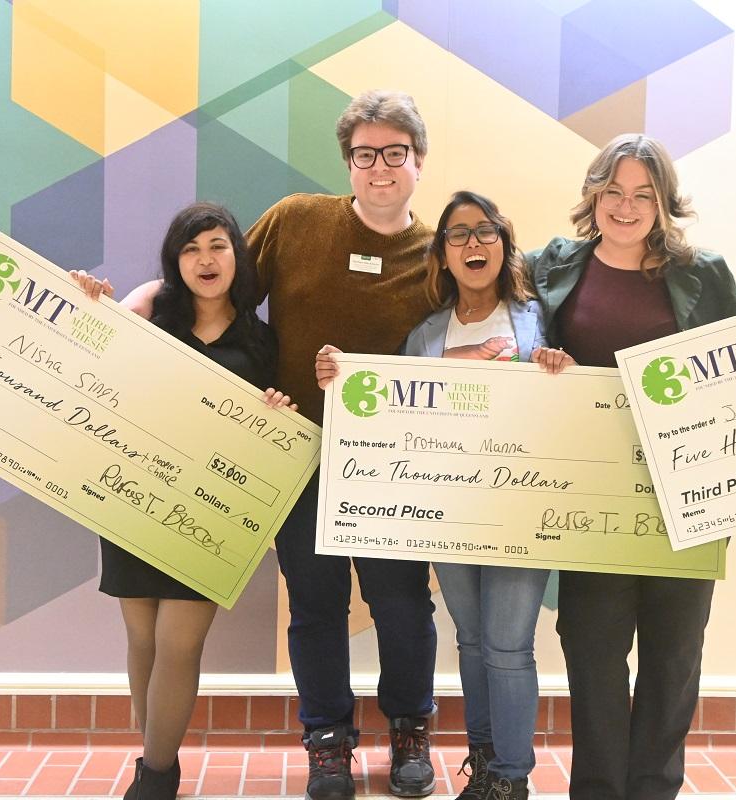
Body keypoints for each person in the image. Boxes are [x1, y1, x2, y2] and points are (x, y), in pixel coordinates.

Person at [527, 133, 736, 800]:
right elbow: (496, 311)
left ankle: (654, 790)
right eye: (614, 192)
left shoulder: (704, 272)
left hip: (688, 499)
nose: (627, 207)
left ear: (665, 204)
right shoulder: (553, 265)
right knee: (595, 658)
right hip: (593, 502)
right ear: (594, 195)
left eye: (644, 195)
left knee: (672, 659)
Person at [316, 191, 572, 800]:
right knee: (474, 640)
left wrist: (563, 369)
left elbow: (571, 405)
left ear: (504, 243)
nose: (472, 244)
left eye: (485, 231)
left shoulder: (539, 319)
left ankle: (511, 777)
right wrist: (337, 374)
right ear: (443, 255)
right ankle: (483, 763)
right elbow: (394, 416)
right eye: (458, 235)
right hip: (450, 515)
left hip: (520, 509)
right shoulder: (425, 334)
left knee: (509, 646)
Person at [247, 90, 440, 800]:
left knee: (402, 603)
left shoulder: (439, 253)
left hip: (395, 469)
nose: (380, 168)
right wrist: (131, 303)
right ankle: (327, 740)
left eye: (395, 154)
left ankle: (411, 728)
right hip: (300, 456)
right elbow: (210, 293)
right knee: (315, 603)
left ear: (419, 162)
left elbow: (484, 331)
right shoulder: (296, 221)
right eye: (366, 155)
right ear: (348, 163)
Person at [69, 201, 296, 800]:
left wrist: (276, 415)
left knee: (178, 642)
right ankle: (156, 759)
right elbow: (90, 350)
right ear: (176, 262)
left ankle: (155, 776)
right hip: (133, 497)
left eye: (218, 245)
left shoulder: (263, 339)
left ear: (237, 257)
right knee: (142, 640)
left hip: (211, 512)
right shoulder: (149, 313)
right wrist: (82, 297)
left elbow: (278, 430)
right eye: (192, 249)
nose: (205, 259)